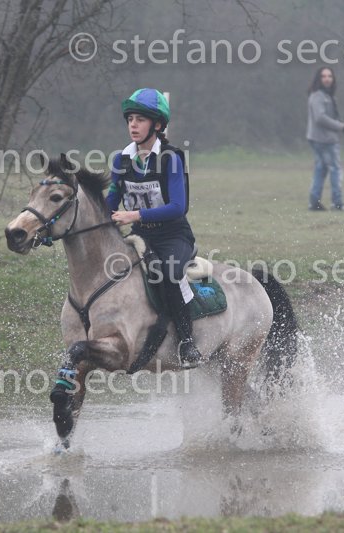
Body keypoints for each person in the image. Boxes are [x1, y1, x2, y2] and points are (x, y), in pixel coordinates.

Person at [106, 88, 202, 369]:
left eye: (140, 119)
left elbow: (178, 207)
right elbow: (110, 202)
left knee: (168, 272)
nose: (133, 125)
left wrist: (134, 214)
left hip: (173, 235)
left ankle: (186, 341)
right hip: (140, 237)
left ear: (157, 125)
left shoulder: (171, 158)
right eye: (130, 119)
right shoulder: (121, 160)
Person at [306, 66, 344, 211]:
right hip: (324, 140)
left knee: (321, 169)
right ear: (318, 79)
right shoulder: (318, 96)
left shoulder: (327, 96)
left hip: (321, 138)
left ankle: (314, 203)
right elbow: (320, 118)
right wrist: (340, 126)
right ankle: (337, 203)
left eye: (329, 76)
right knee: (335, 169)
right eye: (324, 76)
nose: (327, 79)